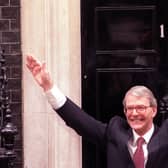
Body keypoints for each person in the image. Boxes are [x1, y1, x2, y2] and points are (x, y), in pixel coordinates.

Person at [26, 55, 168, 168]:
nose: (134, 113)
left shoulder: (164, 136)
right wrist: (48, 87)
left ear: (154, 111)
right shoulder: (116, 132)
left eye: (141, 107)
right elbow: (80, 121)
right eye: (130, 108)